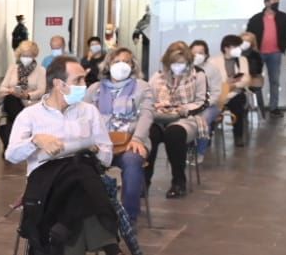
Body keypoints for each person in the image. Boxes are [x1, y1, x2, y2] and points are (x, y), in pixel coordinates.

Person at [6, 58, 141, 255]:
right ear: (58, 83)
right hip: (45, 183)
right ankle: (114, 252)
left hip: (80, 182)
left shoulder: (88, 112)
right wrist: (36, 141)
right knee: (79, 175)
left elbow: (106, 156)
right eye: (78, 80)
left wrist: (89, 148)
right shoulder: (30, 115)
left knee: (79, 175)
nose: (84, 84)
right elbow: (11, 155)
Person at [85, 50, 153, 225]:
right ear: (108, 65)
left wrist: (137, 138)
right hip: (99, 143)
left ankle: (128, 218)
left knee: (132, 162)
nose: (121, 65)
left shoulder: (142, 87)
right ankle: (92, 215)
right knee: (79, 162)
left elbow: (147, 115)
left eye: (126, 61)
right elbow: (83, 117)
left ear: (132, 66)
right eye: (116, 61)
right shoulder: (95, 89)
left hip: (130, 141)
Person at [147, 43, 209, 200]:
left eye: (181, 63)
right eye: (173, 63)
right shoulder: (157, 77)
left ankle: (178, 181)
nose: (177, 67)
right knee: (149, 133)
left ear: (188, 62)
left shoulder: (198, 75)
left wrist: (184, 108)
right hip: (161, 117)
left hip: (187, 117)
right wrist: (159, 106)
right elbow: (147, 100)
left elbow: (202, 102)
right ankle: (143, 181)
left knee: (174, 134)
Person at [246, 0, 286, 118]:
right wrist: (252, 51)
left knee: (275, 80)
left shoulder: (283, 17)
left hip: (275, 53)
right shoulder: (256, 18)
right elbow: (249, 35)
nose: (276, 2)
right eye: (273, 0)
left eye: (277, 0)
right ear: (266, 2)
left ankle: (273, 107)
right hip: (258, 53)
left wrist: (282, 48)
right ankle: (251, 106)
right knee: (253, 79)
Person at [0, 40, 45, 151]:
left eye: (29, 56)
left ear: (34, 55)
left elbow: (41, 91)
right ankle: (15, 138)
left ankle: (11, 141)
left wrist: (27, 95)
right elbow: (2, 87)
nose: (25, 58)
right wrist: (12, 90)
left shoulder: (41, 70)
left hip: (30, 103)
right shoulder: (12, 68)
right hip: (13, 101)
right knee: (11, 98)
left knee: (13, 113)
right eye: (23, 55)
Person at [215, 35, 253, 147]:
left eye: (238, 46)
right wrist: (226, 83)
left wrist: (232, 84)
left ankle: (238, 136)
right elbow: (213, 81)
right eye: (234, 46)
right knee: (212, 106)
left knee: (237, 104)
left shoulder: (242, 60)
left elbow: (246, 79)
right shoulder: (214, 61)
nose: (238, 49)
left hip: (236, 92)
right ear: (226, 48)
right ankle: (208, 134)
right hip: (220, 92)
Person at [191, 39, 226, 156]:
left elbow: (216, 92)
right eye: (194, 52)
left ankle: (199, 153)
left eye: (200, 53)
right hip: (189, 104)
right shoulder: (184, 67)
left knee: (203, 120)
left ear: (206, 54)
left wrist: (203, 105)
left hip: (209, 105)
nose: (197, 56)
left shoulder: (212, 69)